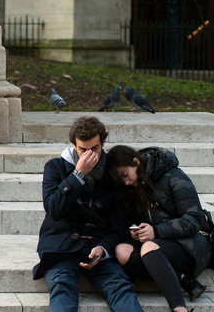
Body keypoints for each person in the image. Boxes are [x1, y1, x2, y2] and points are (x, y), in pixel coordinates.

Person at [33, 116, 143, 312]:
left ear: (103, 143)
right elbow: (53, 210)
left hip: (97, 245)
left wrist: (104, 248)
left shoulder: (113, 171)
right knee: (62, 287)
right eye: (83, 150)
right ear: (74, 145)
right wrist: (77, 175)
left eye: (95, 149)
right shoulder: (56, 167)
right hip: (61, 244)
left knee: (120, 287)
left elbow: (119, 223)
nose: (89, 154)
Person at [107, 145, 212, 312]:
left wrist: (156, 231)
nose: (126, 182)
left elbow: (194, 219)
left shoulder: (173, 176)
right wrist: (134, 232)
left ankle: (179, 308)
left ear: (136, 162)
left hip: (190, 243)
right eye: (121, 180)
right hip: (155, 245)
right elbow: (126, 222)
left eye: (125, 175)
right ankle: (182, 279)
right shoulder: (128, 189)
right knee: (121, 251)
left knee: (149, 248)